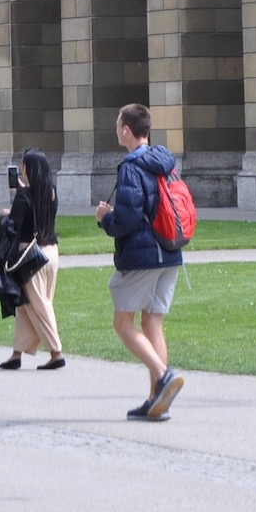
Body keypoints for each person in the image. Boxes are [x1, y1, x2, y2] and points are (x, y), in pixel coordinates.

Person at [94, 102, 183, 421]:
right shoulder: (166, 162)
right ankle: (156, 401)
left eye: (118, 125)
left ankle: (163, 375)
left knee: (123, 323)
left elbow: (129, 218)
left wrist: (106, 218)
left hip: (143, 253)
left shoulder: (131, 165)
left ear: (127, 130)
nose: (117, 130)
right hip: (171, 250)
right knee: (153, 321)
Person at [0, 149, 64, 371]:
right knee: (25, 305)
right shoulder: (51, 192)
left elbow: (14, 226)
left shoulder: (24, 196)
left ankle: (57, 353)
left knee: (38, 306)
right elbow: (36, 207)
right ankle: (16, 353)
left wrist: (5, 215)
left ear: (28, 168)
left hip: (29, 256)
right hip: (50, 252)